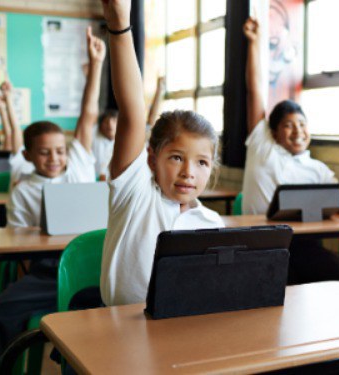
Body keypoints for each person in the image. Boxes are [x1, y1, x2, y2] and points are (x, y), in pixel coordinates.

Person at [0, 26, 103, 374]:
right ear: (28, 156)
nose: (55, 158)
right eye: (44, 152)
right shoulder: (24, 189)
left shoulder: (79, 167)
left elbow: (88, 116)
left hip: (96, 272)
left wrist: (96, 65)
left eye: (60, 150)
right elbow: (18, 244)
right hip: (49, 272)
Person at [99, 0, 223, 307]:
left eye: (202, 162)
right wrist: (119, 25)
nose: (188, 173)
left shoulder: (212, 222)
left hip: (184, 327)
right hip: (121, 328)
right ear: (152, 159)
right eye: (176, 158)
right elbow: (132, 113)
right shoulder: (135, 193)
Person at [242, 16, 339, 284]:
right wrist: (254, 43)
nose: (298, 131)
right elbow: (254, 91)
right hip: (258, 244)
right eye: (289, 125)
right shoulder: (262, 146)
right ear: (273, 132)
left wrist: (316, 204)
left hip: (301, 245)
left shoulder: (318, 169)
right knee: (283, 281)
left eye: (302, 124)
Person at [93, 75, 164, 180]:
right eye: (106, 122)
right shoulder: (95, 136)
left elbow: (151, 120)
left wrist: (159, 90)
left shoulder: (128, 139)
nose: (110, 125)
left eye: (114, 121)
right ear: (100, 126)